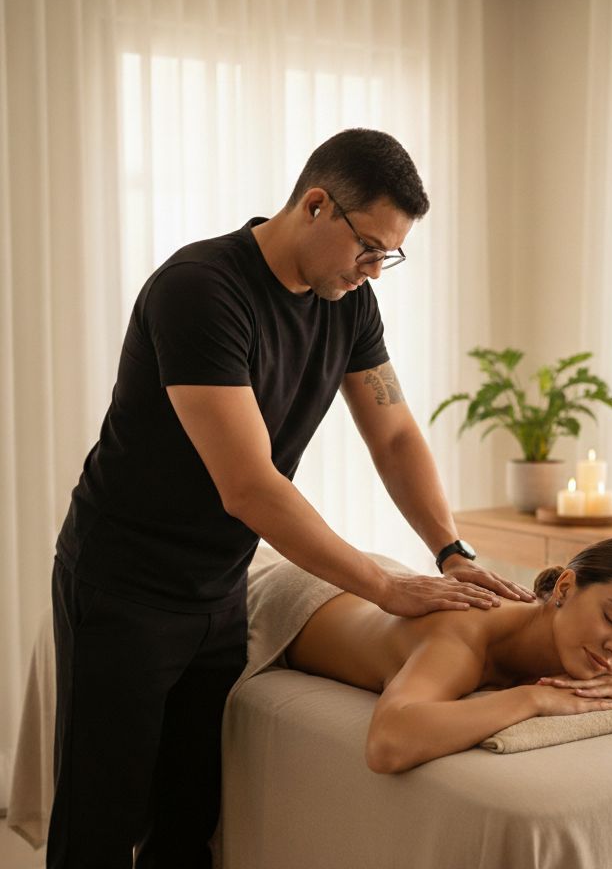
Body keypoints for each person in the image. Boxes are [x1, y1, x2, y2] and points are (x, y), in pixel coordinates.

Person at [48, 128, 532, 868]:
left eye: (389, 256)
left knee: (189, 824)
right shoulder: (200, 290)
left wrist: (450, 550)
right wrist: (384, 587)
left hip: (220, 588)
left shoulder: (350, 303)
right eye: (368, 247)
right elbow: (249, 485)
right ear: (315, 205)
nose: (373, 271)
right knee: (101, 825)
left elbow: (395, 434)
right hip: (124, 585)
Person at [283, 537, 612, 773]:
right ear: (565, 588)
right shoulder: (464, 635)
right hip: (295, 594)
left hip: (380, 579)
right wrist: (532, 700)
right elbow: (389, 743)